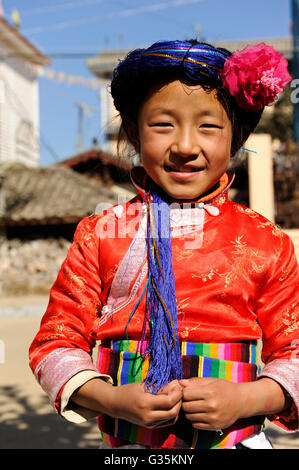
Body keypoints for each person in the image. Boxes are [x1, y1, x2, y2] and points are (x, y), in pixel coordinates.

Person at [29, 39, 298, 449]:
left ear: (236, 136)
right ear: (134, 135)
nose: (186, 146)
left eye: (208, 126)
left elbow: (293, 352)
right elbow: (54, 344)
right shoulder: (101, 233)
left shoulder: (267, 242)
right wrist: (111, 398)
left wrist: (247, 396)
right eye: (163, 125)